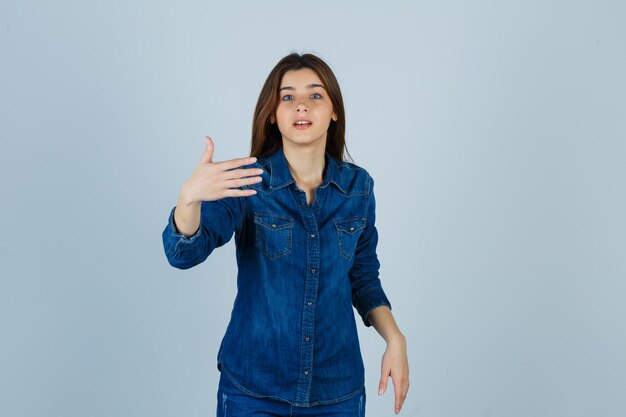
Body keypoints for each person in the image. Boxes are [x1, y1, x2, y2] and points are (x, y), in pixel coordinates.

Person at [162, 52, 409, 416]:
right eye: (287, 97)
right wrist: (189, 199)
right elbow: (182, 254)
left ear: (334, 111)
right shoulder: (247, 183)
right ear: (273, 115)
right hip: (253, 391)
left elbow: (363, 276)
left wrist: (395, 338)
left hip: (336, 393)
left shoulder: (358, 188)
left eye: (315, 95)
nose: (301, 106)